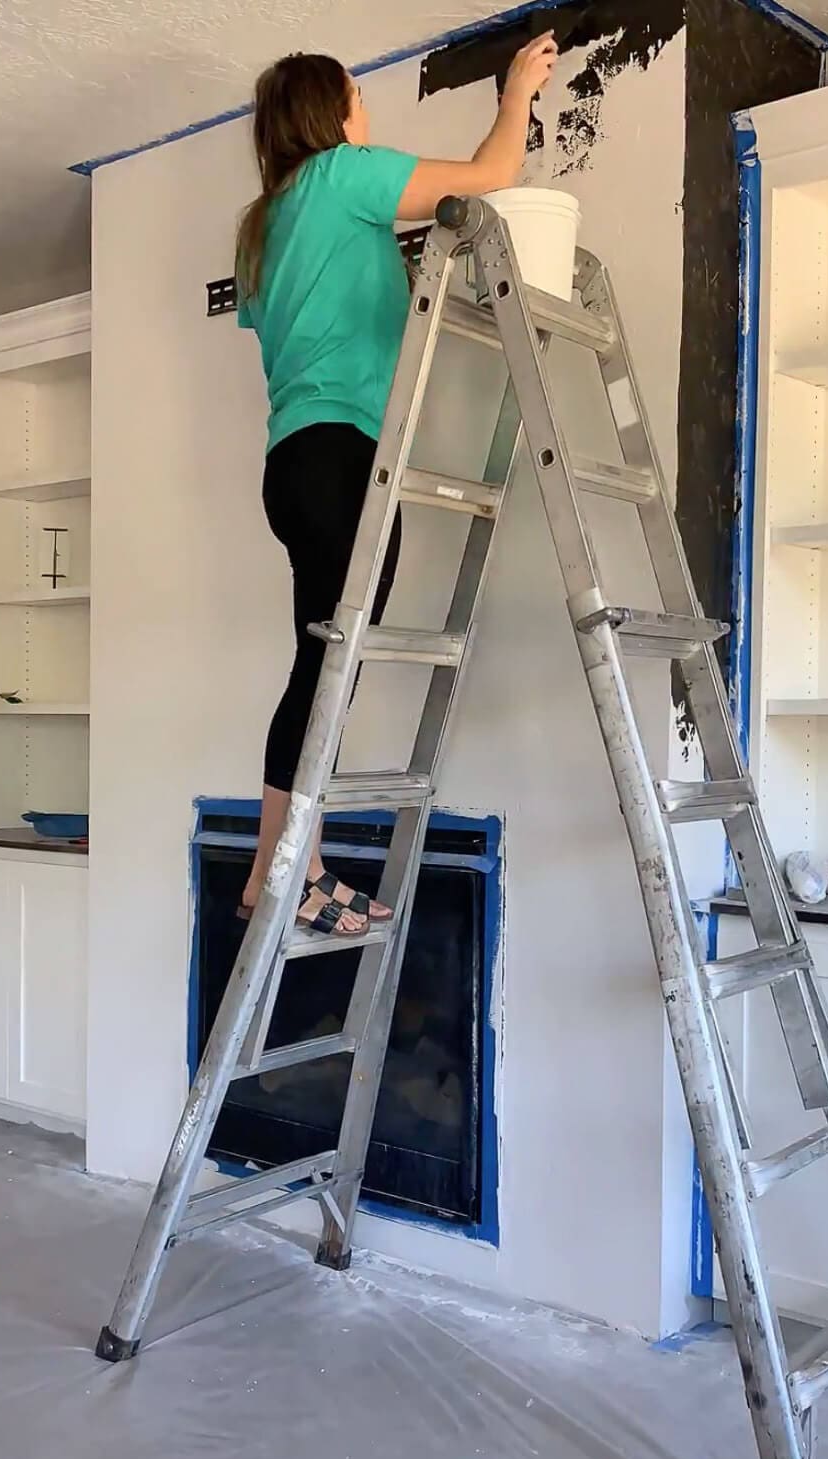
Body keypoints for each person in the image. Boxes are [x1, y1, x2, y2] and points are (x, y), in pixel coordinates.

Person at [236, 34, 559, 937]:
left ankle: (294, 864)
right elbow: (494, 169)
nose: (366, 115)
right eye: (358, 100)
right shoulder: (344, 177)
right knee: (326, 665)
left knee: (323, 659)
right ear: (332, 117)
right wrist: (516, 89)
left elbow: (316, 314)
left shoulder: (267, 225)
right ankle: (280, 869)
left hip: (295, 463)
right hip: (341, 459)